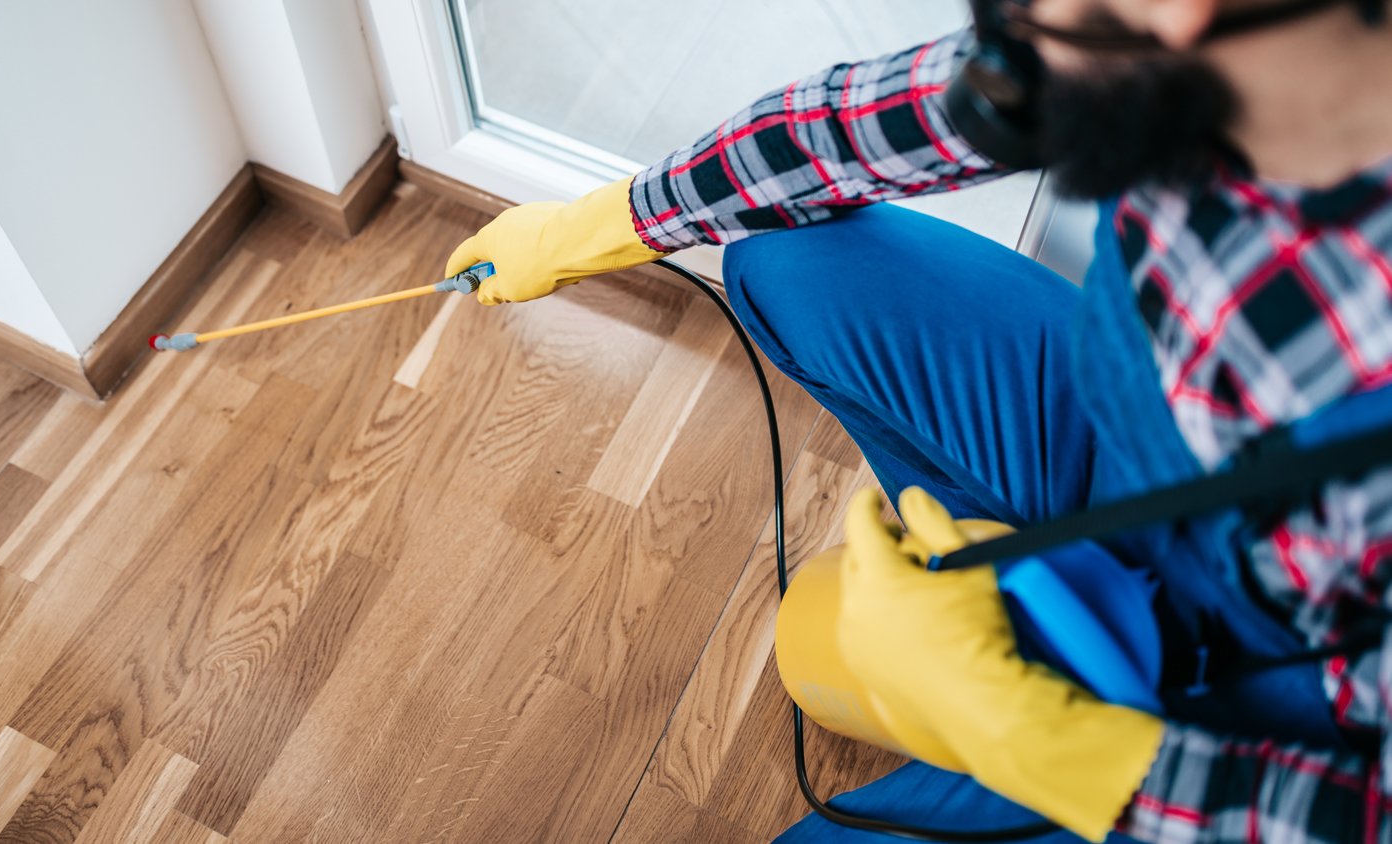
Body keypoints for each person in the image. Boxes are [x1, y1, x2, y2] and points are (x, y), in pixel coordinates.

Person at [442, 0, 1392, 840]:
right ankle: (1018, 582)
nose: (997, 48)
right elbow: (858, 128)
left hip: (1280, 693)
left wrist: (1055, 747)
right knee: (791, 267)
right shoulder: (1172, 54)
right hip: (1133, 451)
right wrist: (606, 225)